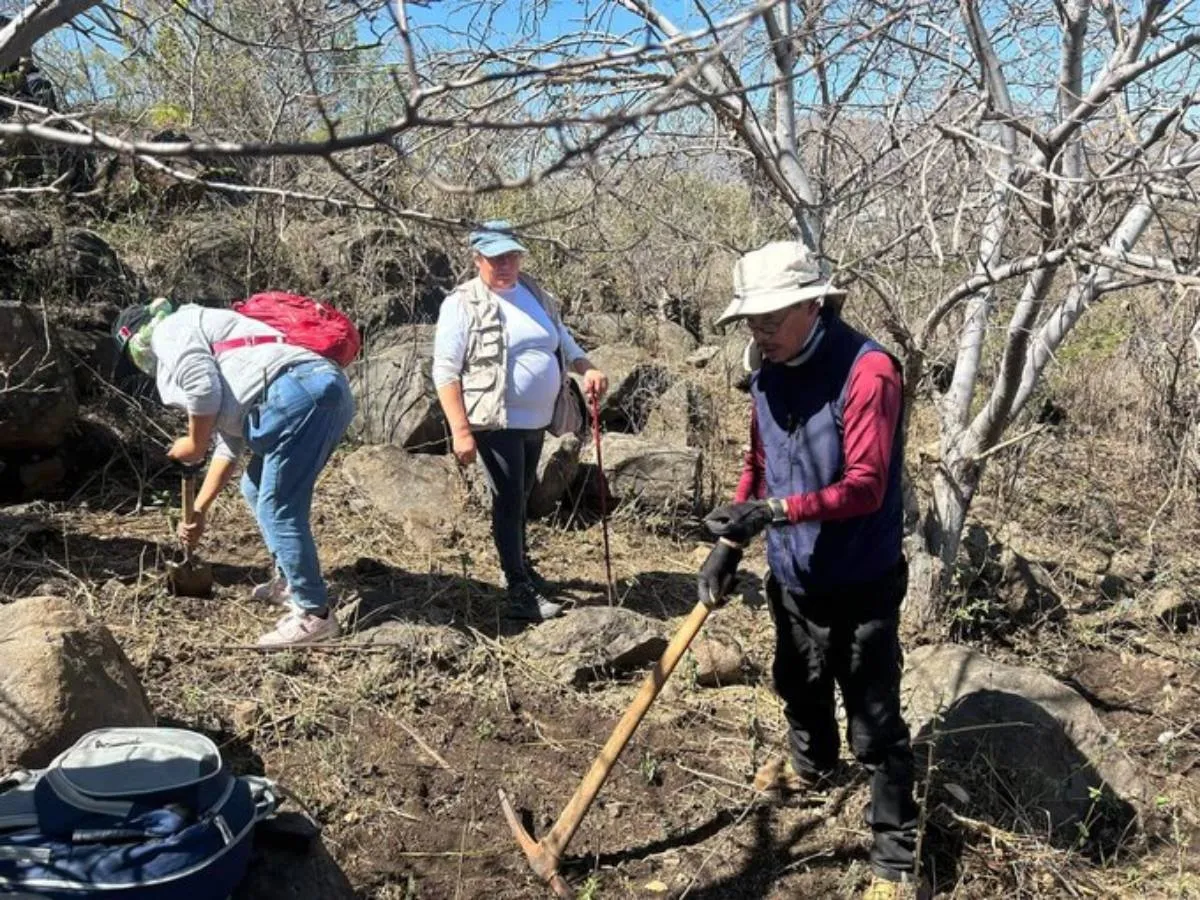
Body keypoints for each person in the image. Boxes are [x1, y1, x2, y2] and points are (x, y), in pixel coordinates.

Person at [698, 242, 928, 900]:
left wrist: (772, 512)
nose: (758, 332)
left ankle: (893, 858)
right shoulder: (768, 370)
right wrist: (731, 545)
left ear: (811, 303)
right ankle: (809, 766)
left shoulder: (869, 371)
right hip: (794, 573)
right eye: (751, 321)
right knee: (797, 680)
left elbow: (865, 485)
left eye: (769, 319)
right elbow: (760, 461)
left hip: (862, 578)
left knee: (875, 722)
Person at [112, 297, 355, 648]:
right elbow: (230, 445)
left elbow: (201, 388)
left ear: (136, 337)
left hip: (298, 394)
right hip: (319, 390)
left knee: (278, 505)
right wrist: (199, 509)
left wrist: (194, 444)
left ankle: (314, 614)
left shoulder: (169, 330)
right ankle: (288, 581)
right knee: (255, 488)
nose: (140, 364)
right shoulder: (221, 348)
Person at [433, 220, 608, 622]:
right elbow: (445, 370)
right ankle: (518, 591)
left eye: (511, 255)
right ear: (478, 258)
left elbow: (561, 338)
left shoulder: (533, 293)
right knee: (509, 499)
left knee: (523, 494)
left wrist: (587, 366)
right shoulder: (462, 303)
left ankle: (523, 567)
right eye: (496, 257)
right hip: (495, 420)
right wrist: (461, 431)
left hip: (536, 420)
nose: (506, 264)